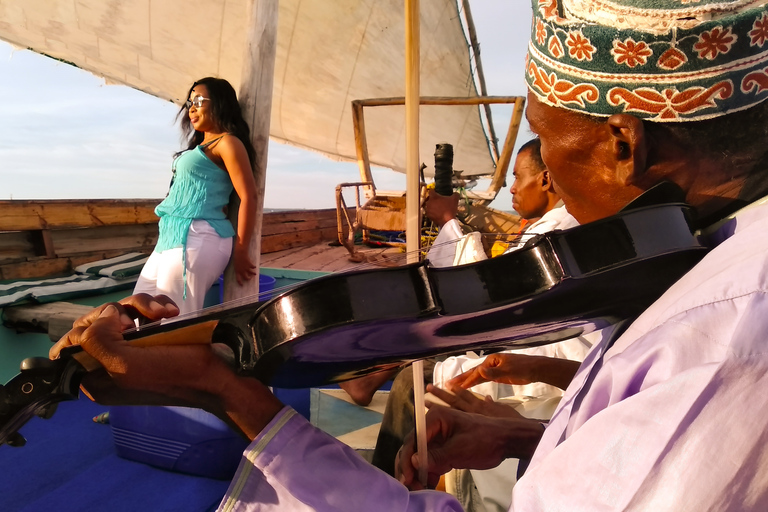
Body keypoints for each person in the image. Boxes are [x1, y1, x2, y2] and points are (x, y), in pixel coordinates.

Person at [50, 1, 768, 510]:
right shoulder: (716, 253)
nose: (545, 165)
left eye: (547, 139)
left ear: (624, 145)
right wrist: (523, 435)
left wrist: (227, 392)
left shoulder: (727, 347)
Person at [133, 77, 258, 316]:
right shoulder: (201, 147)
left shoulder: (227, 142)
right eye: (190, 101)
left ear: (219, 103)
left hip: (199, 235)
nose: (191, 107)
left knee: (174, 318)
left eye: (199, 100)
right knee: (139, 313)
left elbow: (248, 196)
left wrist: (241, 250)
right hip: (170, 238)